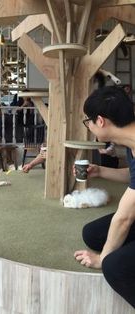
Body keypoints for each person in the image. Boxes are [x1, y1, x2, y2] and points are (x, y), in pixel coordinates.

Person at [74, 86, 135, 308]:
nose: (88, 126)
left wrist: (102, 258)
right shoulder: (131, 141)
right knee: (93, 234)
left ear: (100, 121)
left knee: (114, 265)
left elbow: (125, 218)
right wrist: (100, 171)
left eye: (87, 121)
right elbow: (132, 174)